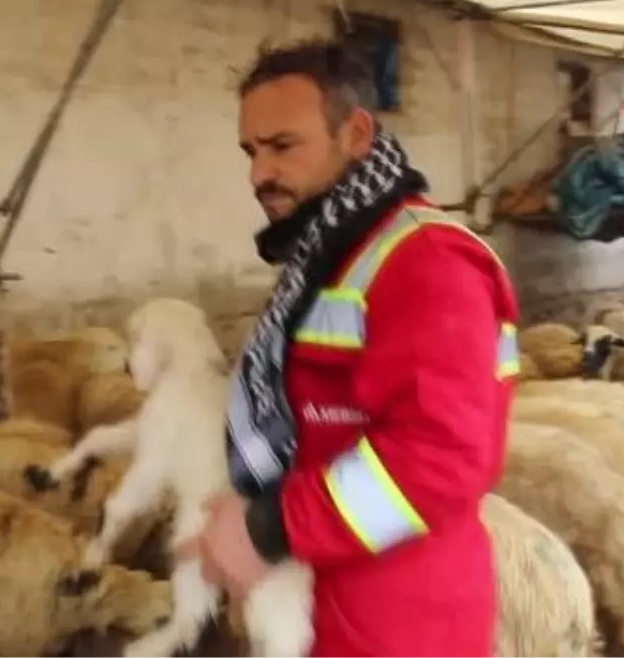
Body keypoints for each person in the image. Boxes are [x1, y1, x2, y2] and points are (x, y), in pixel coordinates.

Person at [182, 38, 520, 658]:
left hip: (398, 622)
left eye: (282, 146)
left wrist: (271, 525)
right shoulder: (330, 259)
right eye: (251, 152)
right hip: (323, 603)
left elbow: (440, 454)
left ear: (356, 133)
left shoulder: (428, 262)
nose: (259, 173)